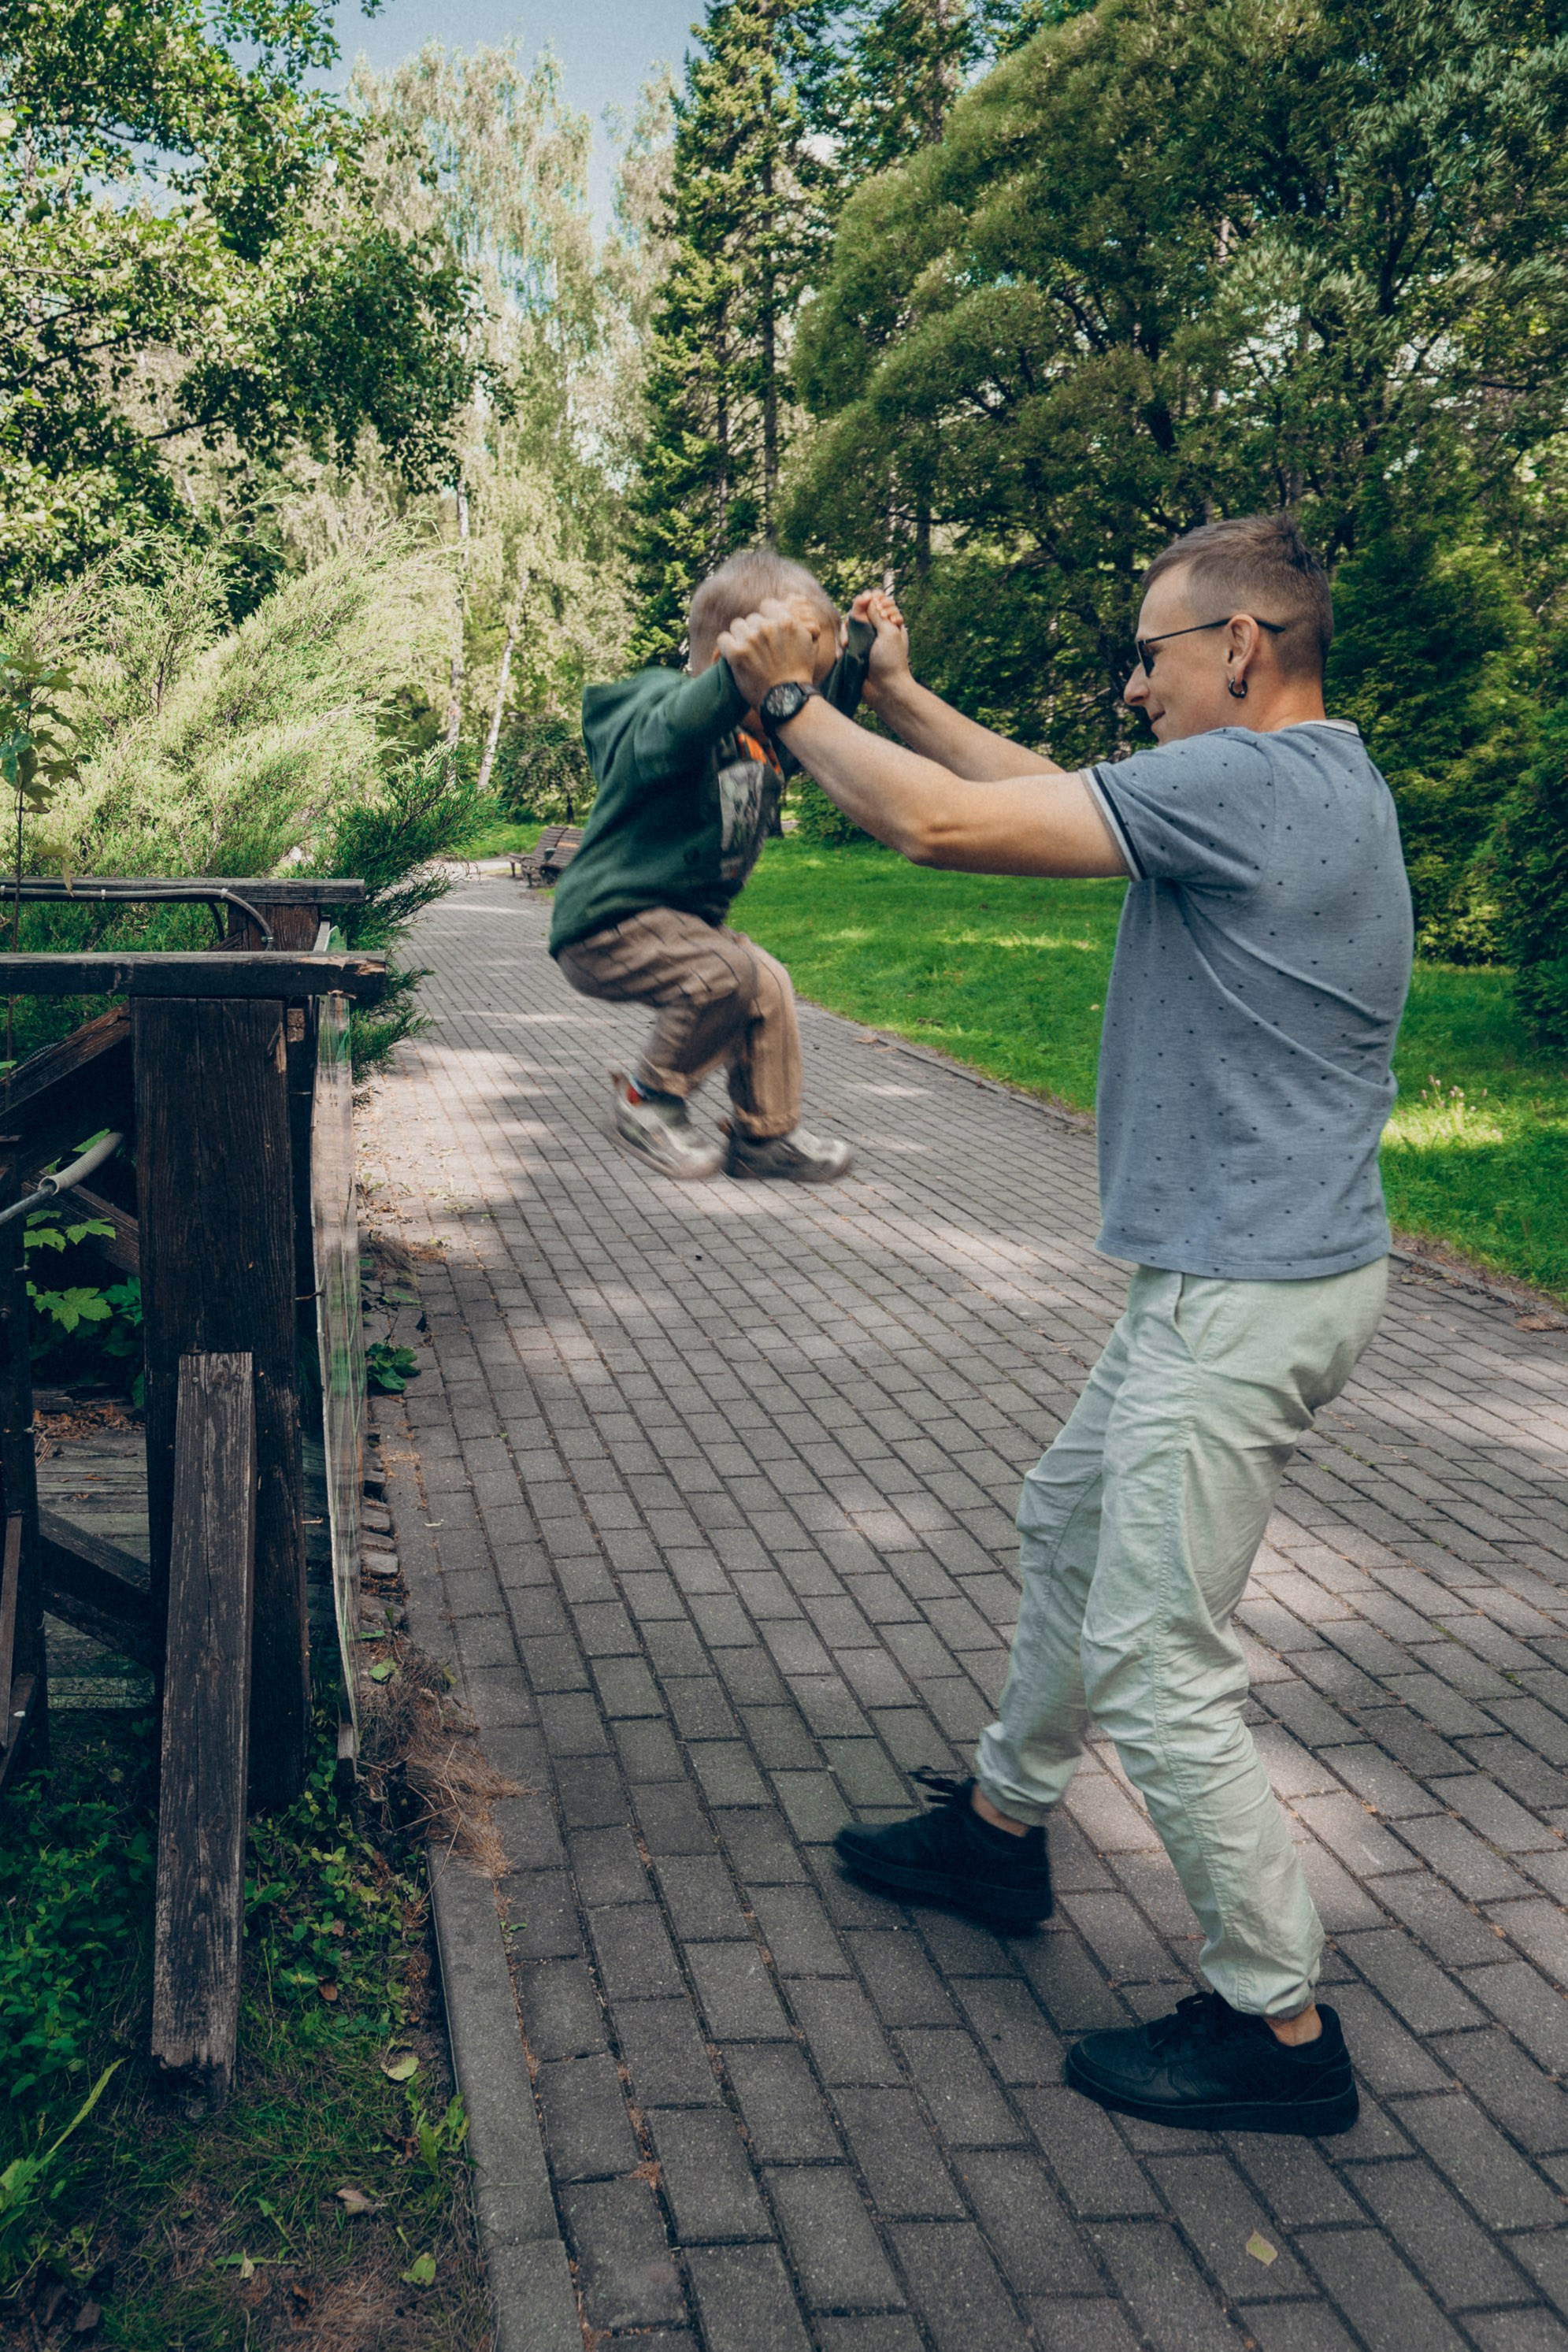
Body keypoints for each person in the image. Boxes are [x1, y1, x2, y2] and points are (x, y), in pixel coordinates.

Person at [716, 514, 1413, 2139]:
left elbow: (953, 830)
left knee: (1156, 1663)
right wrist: (892, 692)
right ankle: (997, 1823)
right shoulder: (1301, 781)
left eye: (1151, 655)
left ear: (1236, 646)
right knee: (1062, 1515)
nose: (1132, 684)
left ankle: (1275, 2023)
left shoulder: (1254, 784)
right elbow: (1026, 786)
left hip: (1241, 1290)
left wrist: (786, 703)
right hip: (1238, 1269)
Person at [550, 547, 880, 1185]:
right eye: (786, 685)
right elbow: (669, 729)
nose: (799, 704)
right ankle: (648, 1104)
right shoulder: (659, 705)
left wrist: (860, 643)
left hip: (675, 925)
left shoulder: (764, 734)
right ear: (739, 665)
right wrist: (737, 679)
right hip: (608, 922)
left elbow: (826, 706)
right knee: (729, 970)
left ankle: (766, 1136)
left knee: (767, 983)